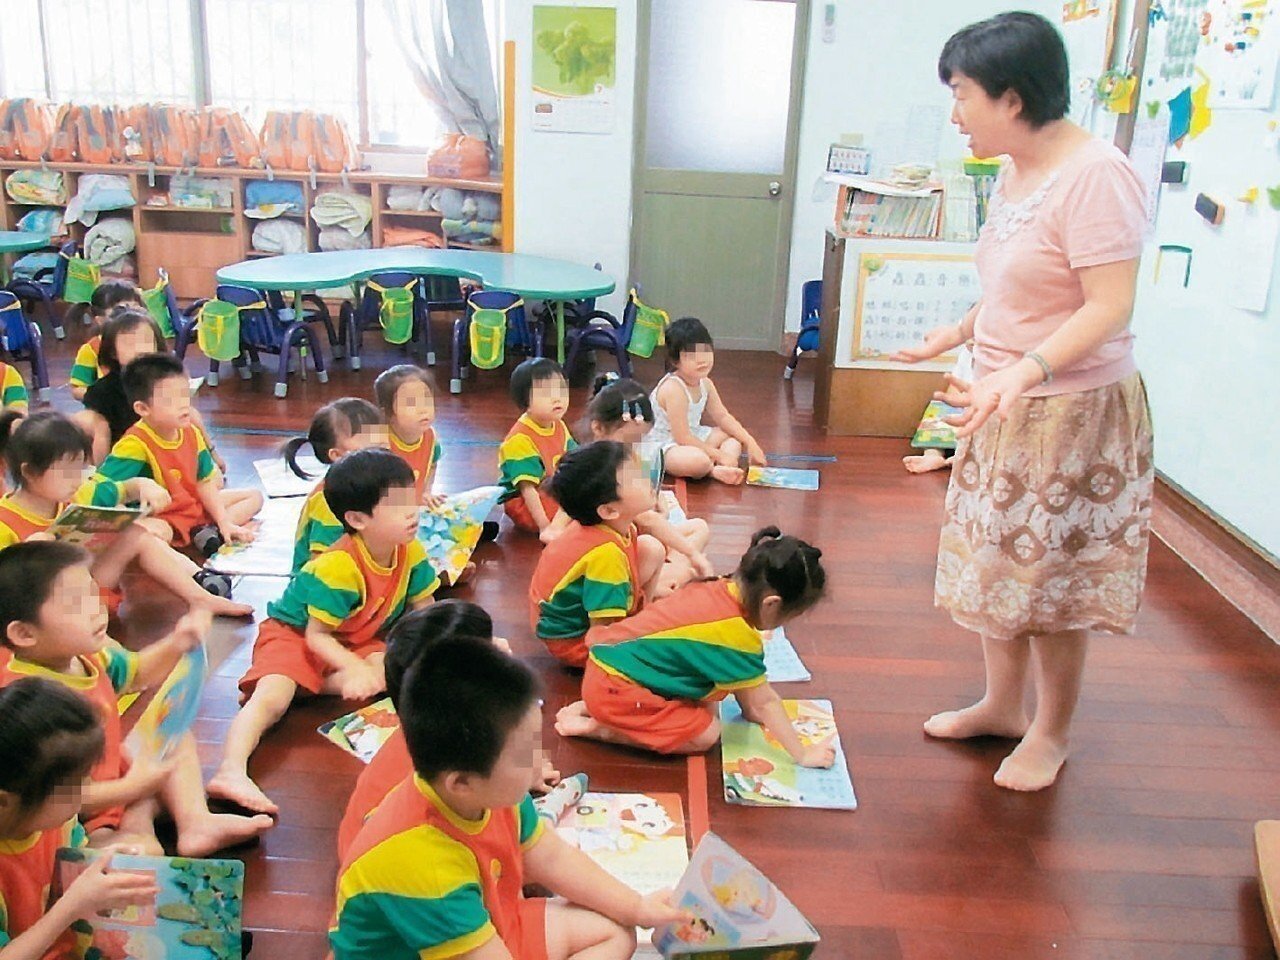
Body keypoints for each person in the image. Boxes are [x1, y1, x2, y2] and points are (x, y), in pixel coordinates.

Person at [891, 11, 1153, 792]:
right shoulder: (1013, 170)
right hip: (1003, 399)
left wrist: (1024, 370)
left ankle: (1051, 731)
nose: (954, 113)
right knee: (997, 566)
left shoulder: (1097, 175)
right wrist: (959, 332)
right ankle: (1003, 706)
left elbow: (1107, 305)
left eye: (962, 94)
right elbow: (1025, 283)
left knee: (1050, 581)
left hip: (1069, 412)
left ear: (1011, 97)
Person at [330, 634, 685, 960]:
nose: (539, 757)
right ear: (462, 783)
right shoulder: (423, 866)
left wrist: (637, 908)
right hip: (430, 948)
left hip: (484, 923)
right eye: (523, 753)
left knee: (616, 932)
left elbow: (552, 856)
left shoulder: (486, 794)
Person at [0, 542, 272, 855]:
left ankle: (195, 821)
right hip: (73, 809)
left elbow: (137, 672)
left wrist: (177, 643)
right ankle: (134, 829)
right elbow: (50, 796)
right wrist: (133, 787)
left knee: (174, 736)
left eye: (94, 594)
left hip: (112, 770)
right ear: (23, 634)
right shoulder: (27, 700)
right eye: (76, 605)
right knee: (136, 851)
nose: (97, 610)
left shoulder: (89, 656)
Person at [209, 448, 439, 815]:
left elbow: (428, 614)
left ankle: (309, 685)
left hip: (352, 639)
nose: (413, 511)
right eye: (398, 506)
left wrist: (468, 648)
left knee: (390, 667)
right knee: (271, 700)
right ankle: (231, 769)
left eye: (411, 499)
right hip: (295, 635)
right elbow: (316, 636)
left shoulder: (408, 551)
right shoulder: (338, 566)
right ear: (357, 519)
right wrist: (354, 668)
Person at [556, 526, 835, 769]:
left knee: (708, 703)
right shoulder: (736, 634)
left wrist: (752, 711)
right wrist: (803, 754)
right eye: (790, 617)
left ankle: (610, 709)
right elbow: (765, 702)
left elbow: (751, 698)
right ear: (771, 604)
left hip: (609, 671)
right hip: (612, 685)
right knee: (706, 734)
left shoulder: (719, 587)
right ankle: (603, 728)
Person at [336, 600, 559, 860]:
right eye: (490, 653)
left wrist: (525, 762)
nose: (503, 647)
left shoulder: (438, 732)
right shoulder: (451, 764)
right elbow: (511, 872)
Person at [0, 411, 251, 617]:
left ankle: (201, 598)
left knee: (135, 533)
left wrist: (143, 485)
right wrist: (27, 559)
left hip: (88, 590)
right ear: (30, 472)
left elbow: (122, 489)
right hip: (42, 612)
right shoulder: (6, 522)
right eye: (67, 472)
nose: (76, 480)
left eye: (80, 469)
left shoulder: (78, 494)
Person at [0, 677, 159, 960]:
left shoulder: (53, 822)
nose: (87, 792)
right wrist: (71, 907)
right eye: (73, 787)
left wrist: (101, 857)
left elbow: (71, 861)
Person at [83, 354, 262, 556]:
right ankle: (203, 535)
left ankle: (211, 532)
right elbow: (100, 487)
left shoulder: (191, 431)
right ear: (142, 408)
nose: (184, 405)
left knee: (254, 497)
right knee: (147, 535)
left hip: (194, 507)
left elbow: (203, 482)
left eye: (185, 395)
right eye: (171, 400)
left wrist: (224, 522)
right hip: (165, 518)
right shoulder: (134, 444)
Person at [529, 441, 668, 669]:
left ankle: (641, 615)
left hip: (560, 619)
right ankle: (640, 624)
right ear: (609, 510)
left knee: (651, 548)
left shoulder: (613, 525)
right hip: (575, 642)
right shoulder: (606, 555)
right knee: (670, 652)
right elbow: (601, 635)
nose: (646, 476)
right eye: (635, 477)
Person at [583, 373, 713, 590]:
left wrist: (657, 499)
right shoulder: (599, 468)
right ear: (597, 428)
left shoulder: (627, 456)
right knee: (658, 548)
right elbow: (648, 519)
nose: (633, 446)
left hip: (635, 538)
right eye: (628, 439)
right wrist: (692, 554)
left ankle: (674, 573)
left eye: (639, 439)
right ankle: (675, 575)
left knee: (699, 528)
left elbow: (649, 497)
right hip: (617, 556)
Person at [73, 308, 223, 470]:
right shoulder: (105, 388)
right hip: (124, 450)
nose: (140, 349)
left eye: (146, 341)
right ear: (113, 352)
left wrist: (212, 453)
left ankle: (208, 458)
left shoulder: (165, 378)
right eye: (130, 344)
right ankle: (100, 475)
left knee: (191, 413)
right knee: (97, 424)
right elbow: (91, 414)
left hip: (162, 441)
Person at [648, 317, 766, 486]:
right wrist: (719, 455)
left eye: (705, 351)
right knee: (699, 461)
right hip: (667, 444)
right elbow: (682, 437)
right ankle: (712, 470)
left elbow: (723, 417)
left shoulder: (706, 383)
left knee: (733, 437)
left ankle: (726, 467)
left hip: (693, 435)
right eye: (691, 355)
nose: (701, 360)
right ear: (675, 361)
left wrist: (750, 442)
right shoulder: (674, 389)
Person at [282, 397, 388, 574]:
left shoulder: (368, 482)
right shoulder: (329, 501)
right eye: (372, 450)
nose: (382, 457)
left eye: (385, 448)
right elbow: (320, 565)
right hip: (320, 584)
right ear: (337, 455)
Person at [497, 358, 575, 540]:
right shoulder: (520, 439)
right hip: (526, 504)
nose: (557, 398)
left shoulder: (558, 425)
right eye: (546, 393)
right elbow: (527, 490)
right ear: (526, 403)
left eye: (562, 389)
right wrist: (545, 527)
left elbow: (576, 459)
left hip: (552, 490)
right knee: (580, 506)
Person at [374, 364, 444, 508]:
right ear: (387, 413)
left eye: (426, 399)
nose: (423, 409)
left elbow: (432, 464)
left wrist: (425, 492)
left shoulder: (430, 438)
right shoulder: (379, 445)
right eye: (411, 403)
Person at [68, 280, 144, 400]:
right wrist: (101, 397)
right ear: (101, 320)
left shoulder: (148, 342)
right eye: (120, 312)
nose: (131, 318)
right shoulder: (92, 349)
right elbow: (77, 388)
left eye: (136, 310)